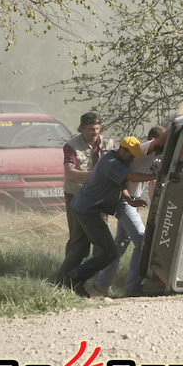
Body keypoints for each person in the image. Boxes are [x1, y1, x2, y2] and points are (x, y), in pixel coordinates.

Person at [59, 136, 156, 298]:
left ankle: (63, 282)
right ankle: (74, 278)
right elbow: (131, 177)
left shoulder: (117, 160)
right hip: (87, 210)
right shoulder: (112, 162)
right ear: (123, 150)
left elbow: (121, 183)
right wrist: (155, 176)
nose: (132, 159)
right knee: (110, 252)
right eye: (131, 155)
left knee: (81, 249)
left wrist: (130, 200)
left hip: (82, 207)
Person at [93, 126, 167, 297]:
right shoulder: (142, 150)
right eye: (160, 146)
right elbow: (130, 179)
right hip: (124, 201)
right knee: (142, 242)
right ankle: (133, 287)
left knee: (120, 244)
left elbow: (153, 182)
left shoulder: (156, 158)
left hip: (132, 202)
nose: (160, 152)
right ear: (152, 140)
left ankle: (101, 285)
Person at [56, 112, 114, 284]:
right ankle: (66, 281)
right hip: (76, 199)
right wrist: (95, 174)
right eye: (90, 129)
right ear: (81, 128)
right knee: (78, 243)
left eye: (97, 128)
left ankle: (94, 282)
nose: (94, 132)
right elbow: (70, 173)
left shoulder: (109, 143)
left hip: (99, 199)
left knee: (100, 243)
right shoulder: (72, 145)